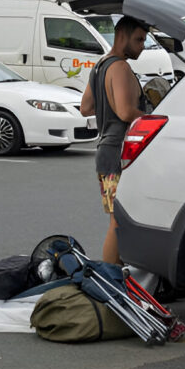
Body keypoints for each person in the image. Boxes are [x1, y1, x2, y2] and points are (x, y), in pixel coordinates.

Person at [80, 16, 148, 265]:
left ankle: (116, 275)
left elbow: (85, 107)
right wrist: (157, 117)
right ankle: (111, 276)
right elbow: (125, 112)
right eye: (139, 39)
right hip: (119, 149)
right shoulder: (120, 67)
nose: (142, 45)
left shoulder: (100, 66)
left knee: (116, 218)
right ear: (122, 37)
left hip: (105, 151)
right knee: (118, 221)